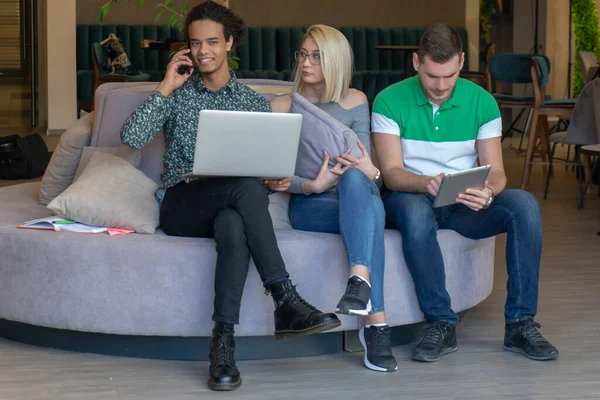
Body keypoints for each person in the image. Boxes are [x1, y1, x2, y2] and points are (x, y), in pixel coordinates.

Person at [120, 2, 341, 391]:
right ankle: (285, 297)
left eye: (211, 42)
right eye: (195, 43)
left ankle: (222, 345)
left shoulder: (253, 104)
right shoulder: (177, 94)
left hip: (231, 207)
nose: (203, 50)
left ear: (229, 43)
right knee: (243, 191)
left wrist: (273, 176)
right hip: (181, 204)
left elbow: (266, 168)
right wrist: (166, 85)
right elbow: (132, 138)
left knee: (235, 222)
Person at [372, 23, 559, 363]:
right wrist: (426, 182)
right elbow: (392, 174)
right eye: (432, 76)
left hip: (460, 203)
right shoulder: (388, 101)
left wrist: (488, 192)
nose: (441, 86)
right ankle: (441, 323)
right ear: (416, 62)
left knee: (524, 206)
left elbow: (497, 170)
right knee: (415, 213)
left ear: (460, 62)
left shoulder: (483, 103)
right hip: (409, 195)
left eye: (449, 76)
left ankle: (520, 324)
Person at [269, 24, 397, 372]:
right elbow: (270, 175)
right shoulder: (281, 106)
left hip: (357, 192)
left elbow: (364, 163)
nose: (306, 63)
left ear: (336, 61)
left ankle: (359, 283)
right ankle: (375, 325)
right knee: (372, 214)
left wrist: (370, 170)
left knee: (357, 179)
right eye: (303, 54)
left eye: (316, 56)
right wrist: (312, 184)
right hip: (311, 204)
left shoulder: (356, 101)